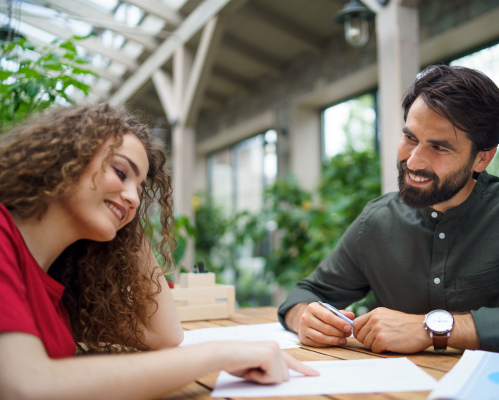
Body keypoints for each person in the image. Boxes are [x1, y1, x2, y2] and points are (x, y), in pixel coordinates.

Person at [0, 103, 317, 400]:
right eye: (121, 172)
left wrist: (123, 212)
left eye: (141, 191)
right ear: (64, 159)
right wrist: (221, 354)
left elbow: (164, 334)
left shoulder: (60, 289)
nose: (135, 200)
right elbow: (24, 386)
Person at [279, 65, 499, 357]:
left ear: (482, 158)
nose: (414, 161)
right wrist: (304, 317)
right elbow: (305, 294)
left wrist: (433, 328)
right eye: (410, 137)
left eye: (439, 147)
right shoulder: (376, 222)